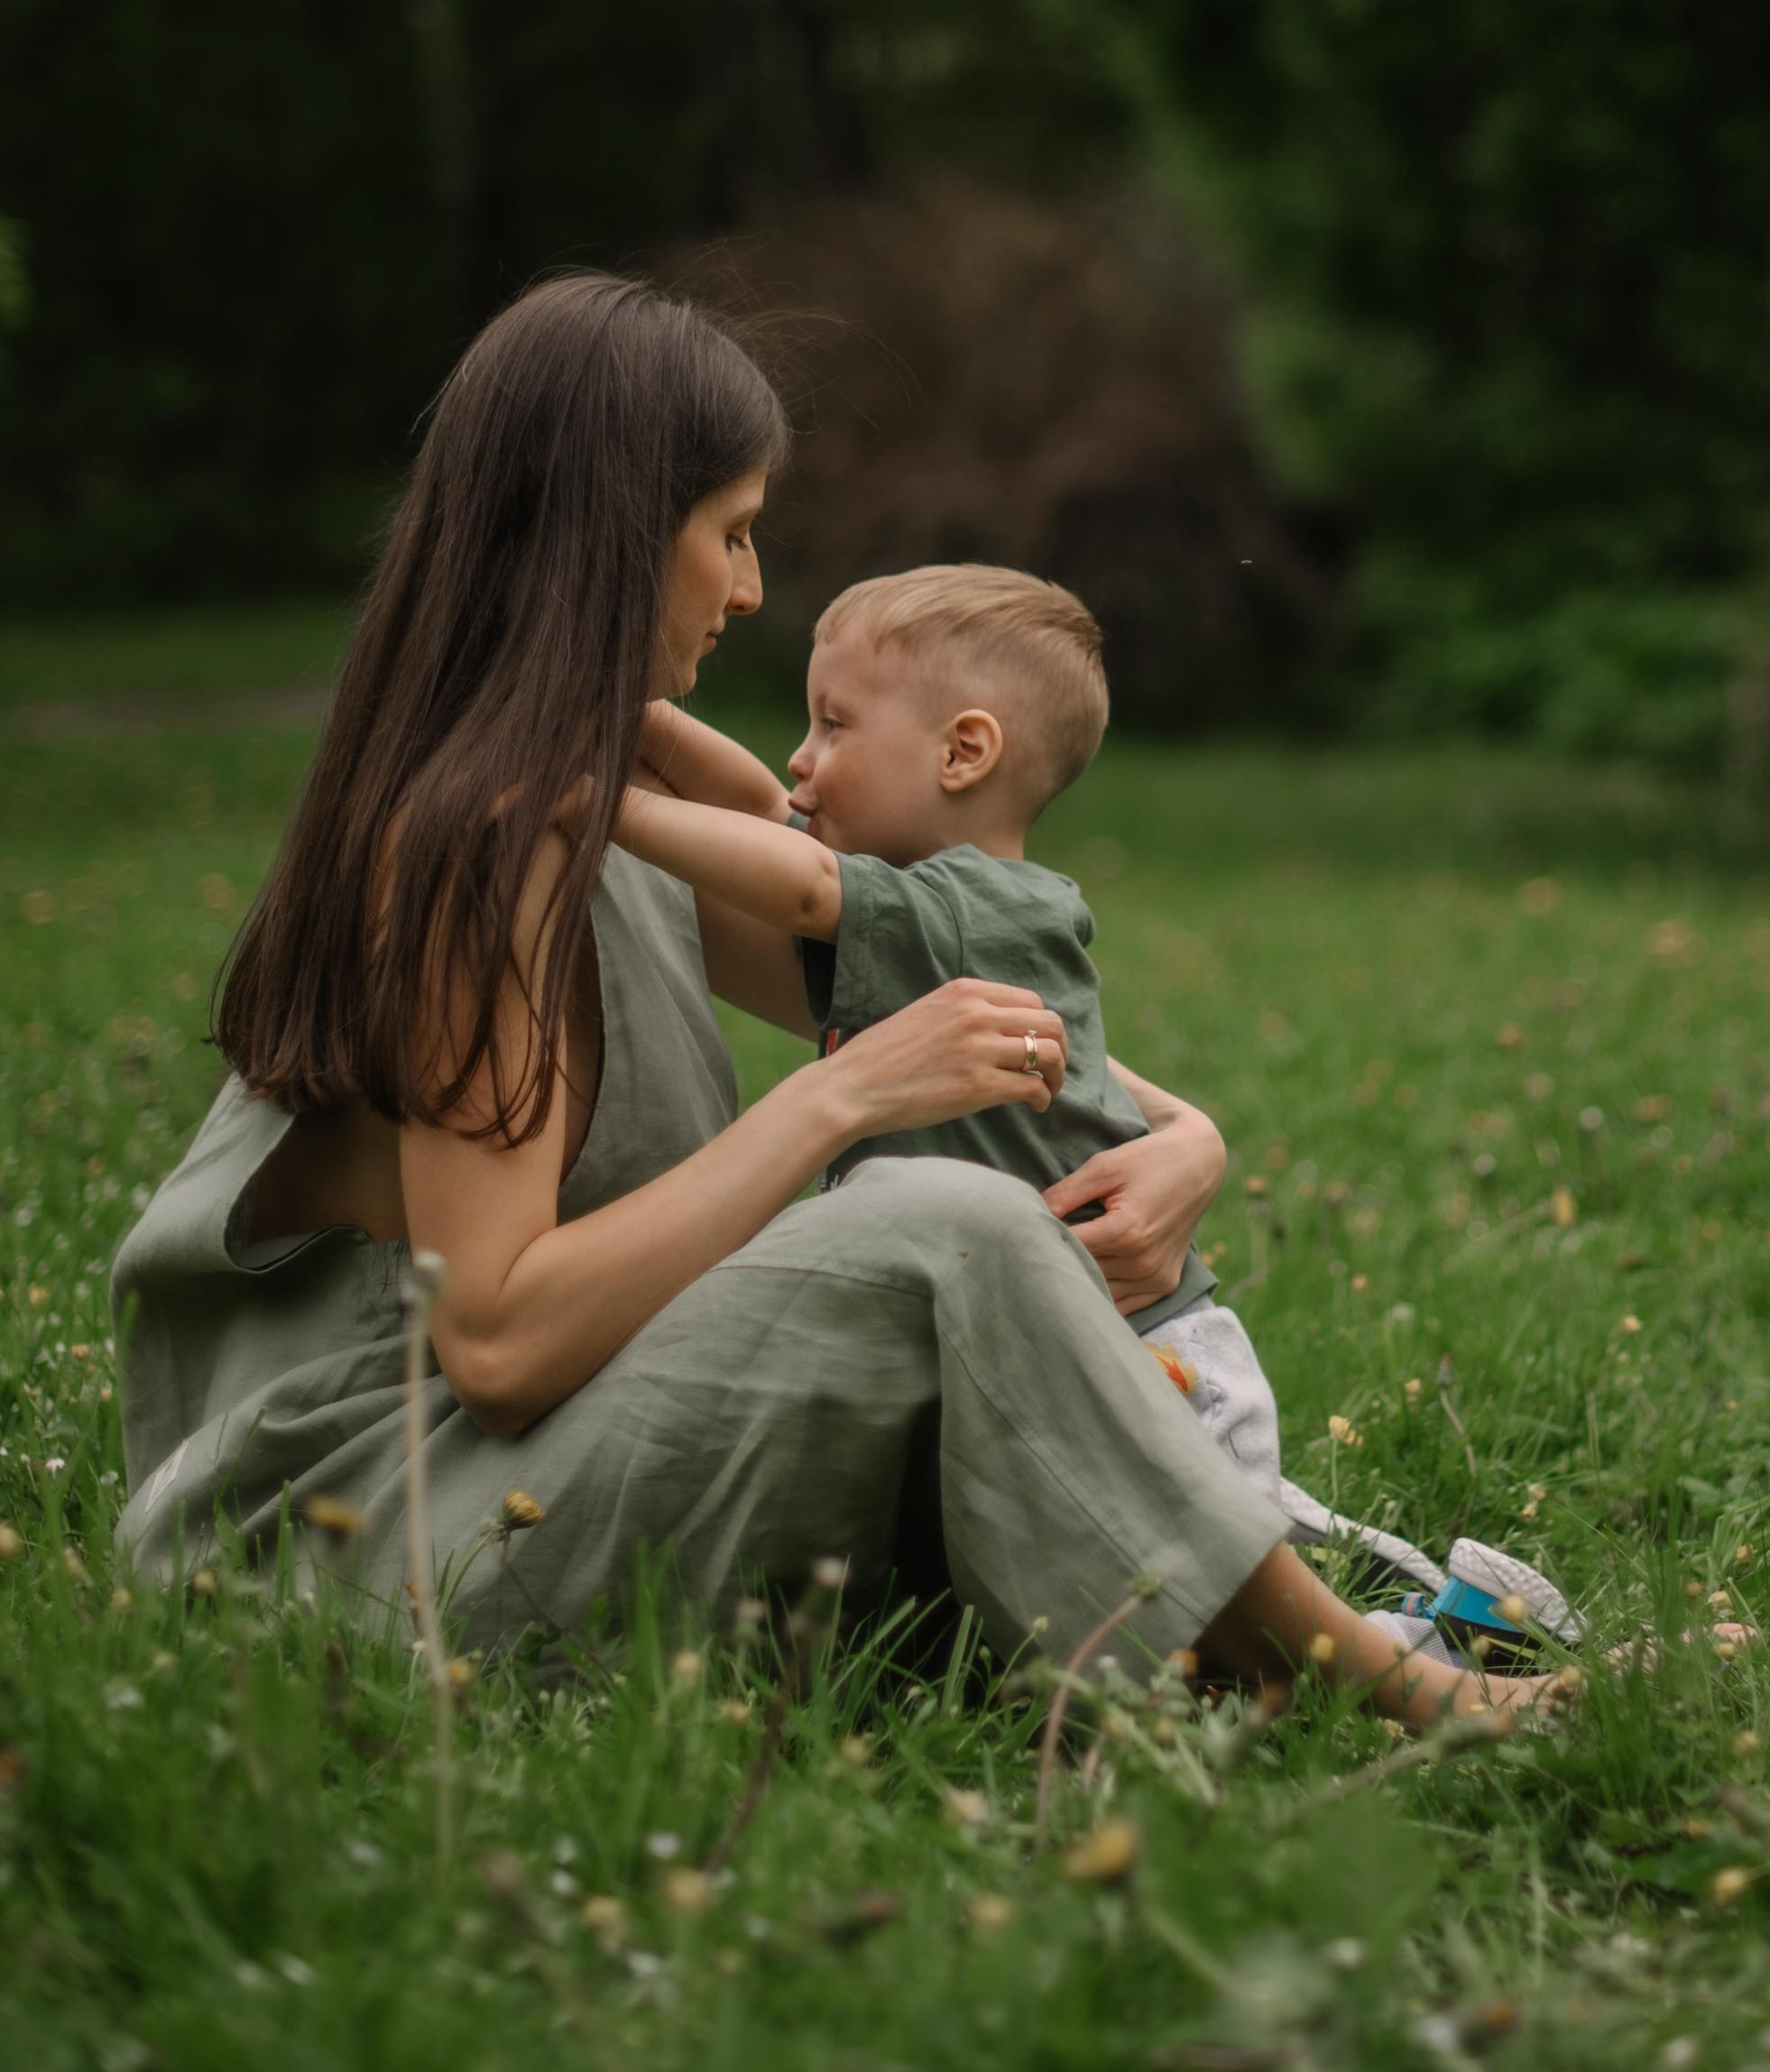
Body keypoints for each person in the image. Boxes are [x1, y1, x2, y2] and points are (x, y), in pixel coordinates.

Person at [110, 272, 1561, 1729]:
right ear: (616, 539)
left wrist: (1190, 1138)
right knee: (940, 1225)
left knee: (941, 1251)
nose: (748, 587)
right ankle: (1382, 1688)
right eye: (730, 533)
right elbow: (495, 1347)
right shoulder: (478, 854)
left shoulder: (603, 802)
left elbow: (928, 979)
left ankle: (1258, 1651)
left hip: (521, 1481)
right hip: (372, 1548)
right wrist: (841, 1097)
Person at [613, 565, 1581, 1662]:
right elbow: (756, 807)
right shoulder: (929, 916)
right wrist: (618, 715)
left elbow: (788, 879)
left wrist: (605, 799)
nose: (800, 758)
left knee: (1221, 1612)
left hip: (1137, 1349)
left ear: (962, 753)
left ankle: (1452, 1631)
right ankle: (1424, 1619)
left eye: (832, 724)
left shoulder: (972, 902)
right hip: (1072, 1333)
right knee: (1183, 1594)